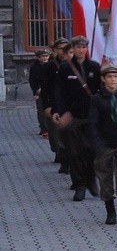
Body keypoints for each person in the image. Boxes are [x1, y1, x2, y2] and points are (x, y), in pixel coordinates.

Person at [53, 36, 101, 201]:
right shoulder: (66, 68)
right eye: (78, 47)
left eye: (84, 47)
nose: (81, 50)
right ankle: (79, 185)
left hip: (91, 117)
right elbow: (59, 92)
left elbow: (100, 93)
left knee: (91, 151)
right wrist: (60, 111)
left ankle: (91, 179)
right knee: (74, 153)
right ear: (73, 48)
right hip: (73, 117)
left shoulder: (94, 67)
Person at [88, 64, 117, 225]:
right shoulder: (97, 99)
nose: (112, 79)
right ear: (103, 79)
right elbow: (93, 124)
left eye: (115, 76)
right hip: (104, 143)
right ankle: (110, 210)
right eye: (109, 76)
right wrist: (97, 144)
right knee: (105, 177)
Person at [40, 38, 69, 170]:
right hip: (53, 103)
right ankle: (59, 152)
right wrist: (47, 106)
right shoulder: (49, 67)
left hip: (68, 104)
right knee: (54, 133)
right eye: (61, 48)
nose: (63, 51)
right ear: (56, 50)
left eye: (66, 48)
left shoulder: (71, 65)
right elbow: (45, 88)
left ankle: (66, 159)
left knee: (67, 133)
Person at [29, 48, 50, 137]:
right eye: (43, 56)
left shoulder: (51, 65)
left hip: (49, 91)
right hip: (39, 92)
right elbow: (32, 80)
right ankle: (43, 128)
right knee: (41, 110)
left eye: (46, 56)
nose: (45, 58)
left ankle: (50, 128)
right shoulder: (35, 67)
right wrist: (36, 90)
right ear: (38, 58)